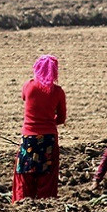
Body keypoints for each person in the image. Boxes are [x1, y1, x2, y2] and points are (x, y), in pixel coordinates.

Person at [12, 55, 67, 202]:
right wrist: (48, 121)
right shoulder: (58, 92)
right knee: (47, 176)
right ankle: (46, 204)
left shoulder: (28, 86)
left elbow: (25, 98)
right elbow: (61, 119)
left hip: (29, 138)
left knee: (25, 173)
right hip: (49, 138)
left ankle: (22, 202)